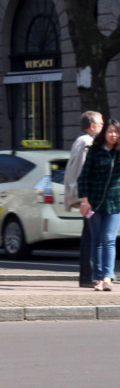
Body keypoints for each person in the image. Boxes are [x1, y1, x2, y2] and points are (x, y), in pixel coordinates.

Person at [78, 118, 120, 291]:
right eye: (110, 131)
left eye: (116, 132)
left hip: (115, 203)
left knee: (109, 240)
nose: (113, 135)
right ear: (104, 133)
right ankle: (97, 277)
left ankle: (107, 278)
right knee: (97, 241)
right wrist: (85, 201)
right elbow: (83, 177)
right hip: (94, 203)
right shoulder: (95, 152)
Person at [65, 111, 104, 287]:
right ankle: (89, 276)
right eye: (101, 124)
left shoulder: (84, 141)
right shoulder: (86, 142)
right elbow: (83, 171)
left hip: (88, 196)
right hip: (90, 197)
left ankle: (93, 274)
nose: (103, 127)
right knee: (91, 234)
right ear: (92, 126)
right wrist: (85, 198)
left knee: (92, 233)